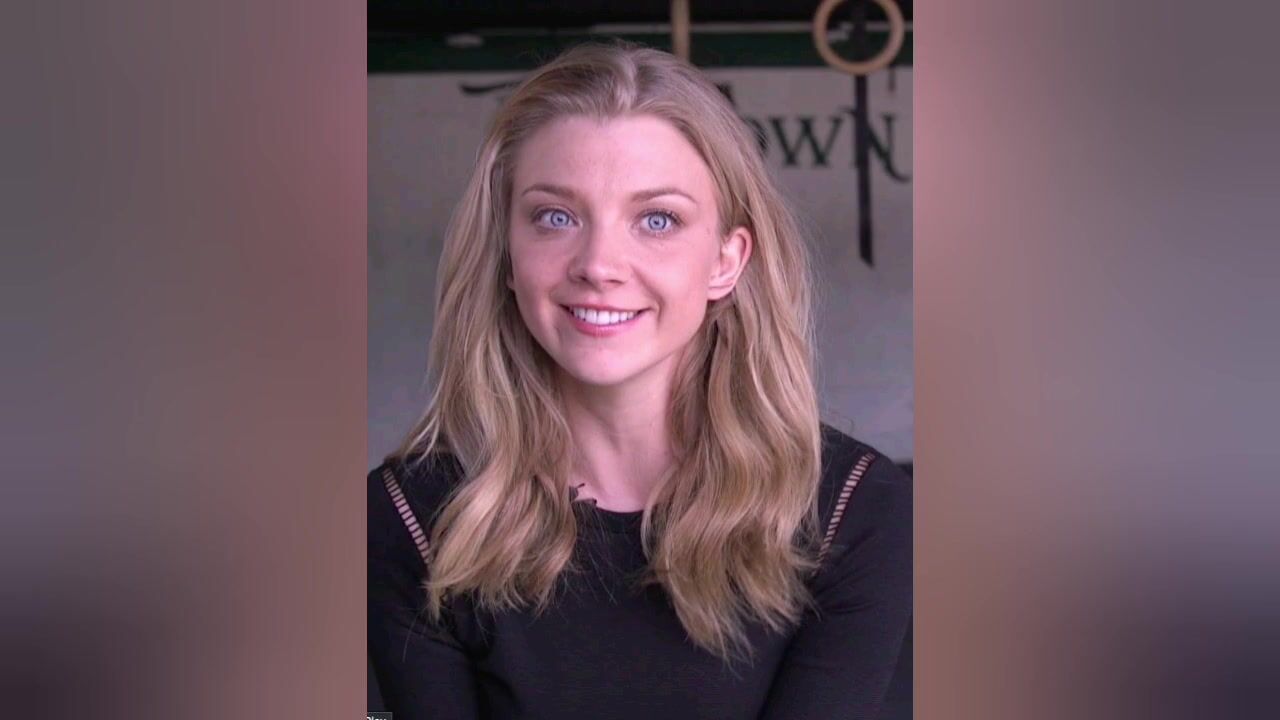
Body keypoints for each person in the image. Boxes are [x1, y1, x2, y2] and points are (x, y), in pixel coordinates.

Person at [368, 42, 911, 720]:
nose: (599, 264)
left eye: (657, 220)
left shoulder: (855, 513)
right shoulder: (411, 517)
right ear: (507, 251)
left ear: (726, 260)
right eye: (555, 217)